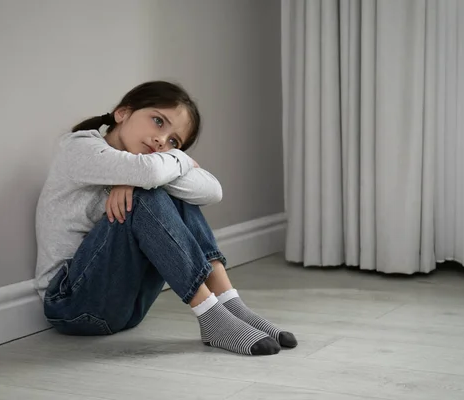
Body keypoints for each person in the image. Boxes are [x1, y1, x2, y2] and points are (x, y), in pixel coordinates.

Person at [34, 80, 297, 356]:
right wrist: (177, 160)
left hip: (128, 308)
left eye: (174, 141)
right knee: (148, 193)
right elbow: (149, 175)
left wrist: (144, 175)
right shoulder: (80, 148)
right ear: (123, 113)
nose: (162, 140)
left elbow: (212, 190)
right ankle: (211, 317)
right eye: (158, 121)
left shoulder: (144, 165)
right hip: (70, 304)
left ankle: (232, 305)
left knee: (162, 191)